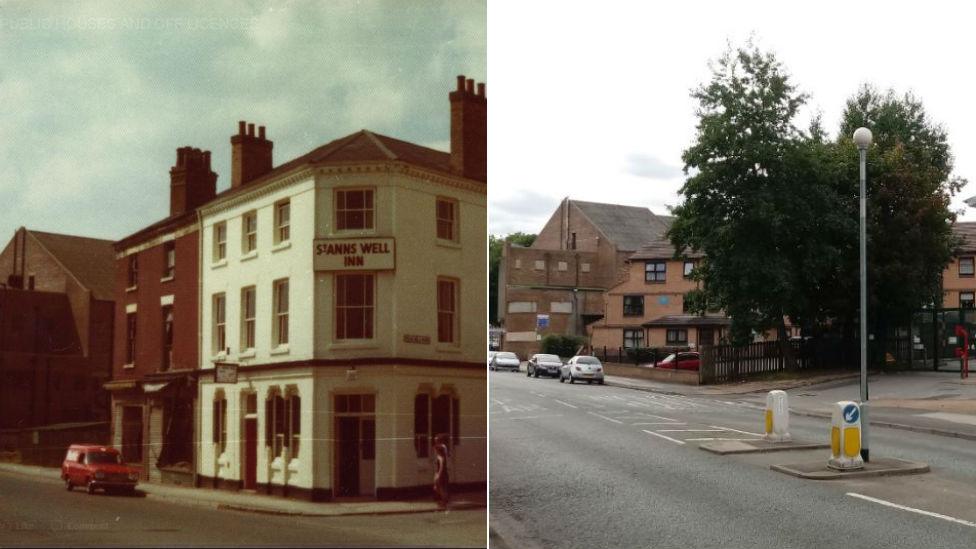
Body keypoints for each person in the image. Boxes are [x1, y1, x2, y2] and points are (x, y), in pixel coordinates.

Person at [432, 433, 450, 509]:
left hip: (442, 473)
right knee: (437, 487)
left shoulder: (441, 456)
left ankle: (444, 502)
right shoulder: (441, 454)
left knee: (440, 488)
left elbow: (442, 465)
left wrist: (439, 474)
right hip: (440, 473)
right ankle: (443, 502)